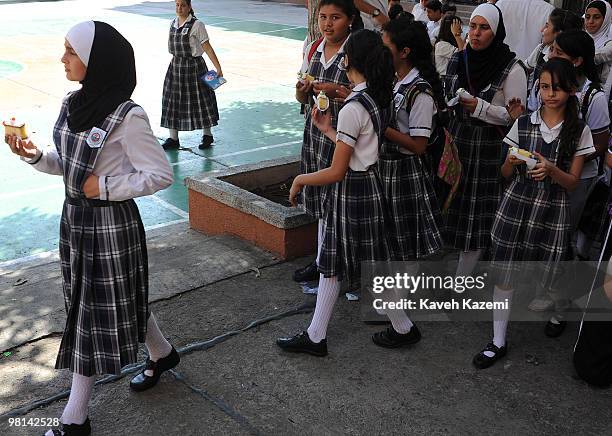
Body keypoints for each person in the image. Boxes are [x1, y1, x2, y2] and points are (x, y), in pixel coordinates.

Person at [4, 21, 178, 436]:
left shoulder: (127, 116)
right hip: (76, 222)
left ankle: (74, 419)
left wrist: (106, 186)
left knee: (86, 314)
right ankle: (163, 354)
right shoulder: (71, 103)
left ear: (96, 60)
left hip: (111, 229)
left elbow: (159, 175)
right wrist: (34, 155)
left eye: (71, 51)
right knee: (107, 301)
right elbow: (68, 166)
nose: (63, 59)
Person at [277, 29, 422, 356]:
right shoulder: (375, 96)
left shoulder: (354, 106)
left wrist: (301, 179)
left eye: (345, 54)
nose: (341, 58)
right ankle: (397, 327)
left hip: (351, 189)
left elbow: (339, 169)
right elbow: (358, 151)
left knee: (338, 262)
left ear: (351, 60)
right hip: (368, 185)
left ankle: (393, 328)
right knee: (360, 263)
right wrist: (329, 129)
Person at [473, 58, 594, 369]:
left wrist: (552, 170)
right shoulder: (524, 123)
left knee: (551, 272)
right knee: (505, 272)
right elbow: (503, 172)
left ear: (572, 89)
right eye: (543, 87)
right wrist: (511, 163)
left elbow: (572, 183)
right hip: (516, 204)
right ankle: (498, 340)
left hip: (552, 208)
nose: (550, 93)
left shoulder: (579, 131)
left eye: (556, 87)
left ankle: (558, 310)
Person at [443, 3, 527, 277]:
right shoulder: (459, 58)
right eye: (473, 27)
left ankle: (461, 279)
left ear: (496, 32)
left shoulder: (511, 68)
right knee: (454, 204)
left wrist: (480, 107)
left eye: (484, 28)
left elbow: (516, 119)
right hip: (457, 142)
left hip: (487, 148)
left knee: (476, 212)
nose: (475, 34)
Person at [293, 0, 360, 283]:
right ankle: (322, 259)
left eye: (335, 17)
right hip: (316, 132)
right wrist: (302, 91)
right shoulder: (313, 49)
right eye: (323, 17)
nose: (327, 24)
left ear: (351, 20)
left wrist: (340, 91)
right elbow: (301, 99)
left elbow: (371, 93)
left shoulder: (358, 52)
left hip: (343, 135)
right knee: (322, 199)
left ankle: (343, 264)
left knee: (340, 199)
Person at [380, 18, 444, 263]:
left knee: (406, 243)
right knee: (390, 238)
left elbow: (419, 145)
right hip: (387, 168)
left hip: (405, 172)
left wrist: (381, 125)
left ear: (404, 52)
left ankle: (400, 296)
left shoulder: (420, 91)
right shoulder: (395, 80)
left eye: (386, 47)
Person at [160, 0, 222, 150]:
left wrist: (218, 68)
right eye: (177, 5)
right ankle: (173, 139)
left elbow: (207, 47)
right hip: (176, 67)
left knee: (202, 100)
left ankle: (207, 135)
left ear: (189, 7)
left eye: (183, 5)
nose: (179, 8)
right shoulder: (172, 23)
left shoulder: (197, 25)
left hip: (195, 67)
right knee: (172, 101)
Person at [524, 8, 583, 110]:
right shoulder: (541, 50)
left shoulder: (583, 91)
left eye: (547, 26)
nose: (542, 30)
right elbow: (525, 69)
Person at [584, 1, 612, 98]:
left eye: (596, 17)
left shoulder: (609, 44)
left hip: (596, 97)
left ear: (605, 19)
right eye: (587, 17)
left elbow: (596, 56)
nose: (590, 21)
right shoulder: (582, 37)